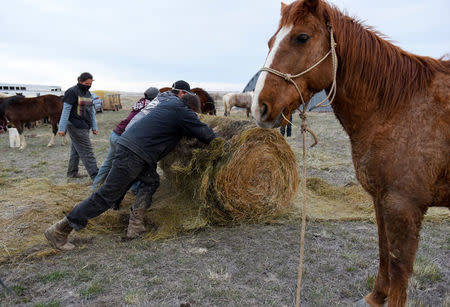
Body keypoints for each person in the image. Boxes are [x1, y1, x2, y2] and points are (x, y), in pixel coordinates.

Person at [45, 80, 217, 250]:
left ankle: (135, 225)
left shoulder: (168, 104)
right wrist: (220, 140)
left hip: (136, 150)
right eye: (195, 112)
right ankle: (59, 230)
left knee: (151, 181)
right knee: (107, 195)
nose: (194, 116)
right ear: (188, 104)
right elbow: (203, 133)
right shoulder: (182, 110)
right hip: (134, 153)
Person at [91, 87, 160, 192]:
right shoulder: (150, 107)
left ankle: (95, 186)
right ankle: (133, 188)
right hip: (123, 138)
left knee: (108, 162)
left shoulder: (140, 102)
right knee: (131, 166)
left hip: (115, 133)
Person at [58, 72, 99, 180]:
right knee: (87, 152)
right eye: (86, 83)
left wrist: (94, 126)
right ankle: (96, 177)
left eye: (90, 83)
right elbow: (65, 110)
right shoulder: (72, 92)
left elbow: (91, 112)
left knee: (75, 151)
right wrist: (62, 128)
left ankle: (72, 173)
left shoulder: (88, 94)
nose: (88, 85)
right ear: (79, 81)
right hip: (75, 125)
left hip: (85, 125)